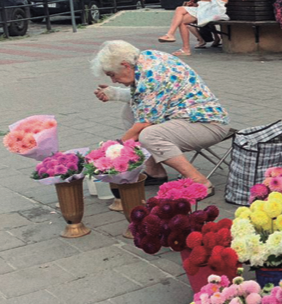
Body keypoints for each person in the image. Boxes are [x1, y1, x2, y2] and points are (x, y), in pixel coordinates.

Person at [91, 40, 231, 193]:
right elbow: (146, 99)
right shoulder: (145, 58)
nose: (113, 80)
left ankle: (200, 182)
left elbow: (144, 123)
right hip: (187, 117)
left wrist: (113, 151)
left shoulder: (152, 74)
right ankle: (154, 171)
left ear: (125, 65)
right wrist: (116, 93)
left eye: (112, 74)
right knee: (129, 112)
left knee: (149, 135)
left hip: (208, 124)